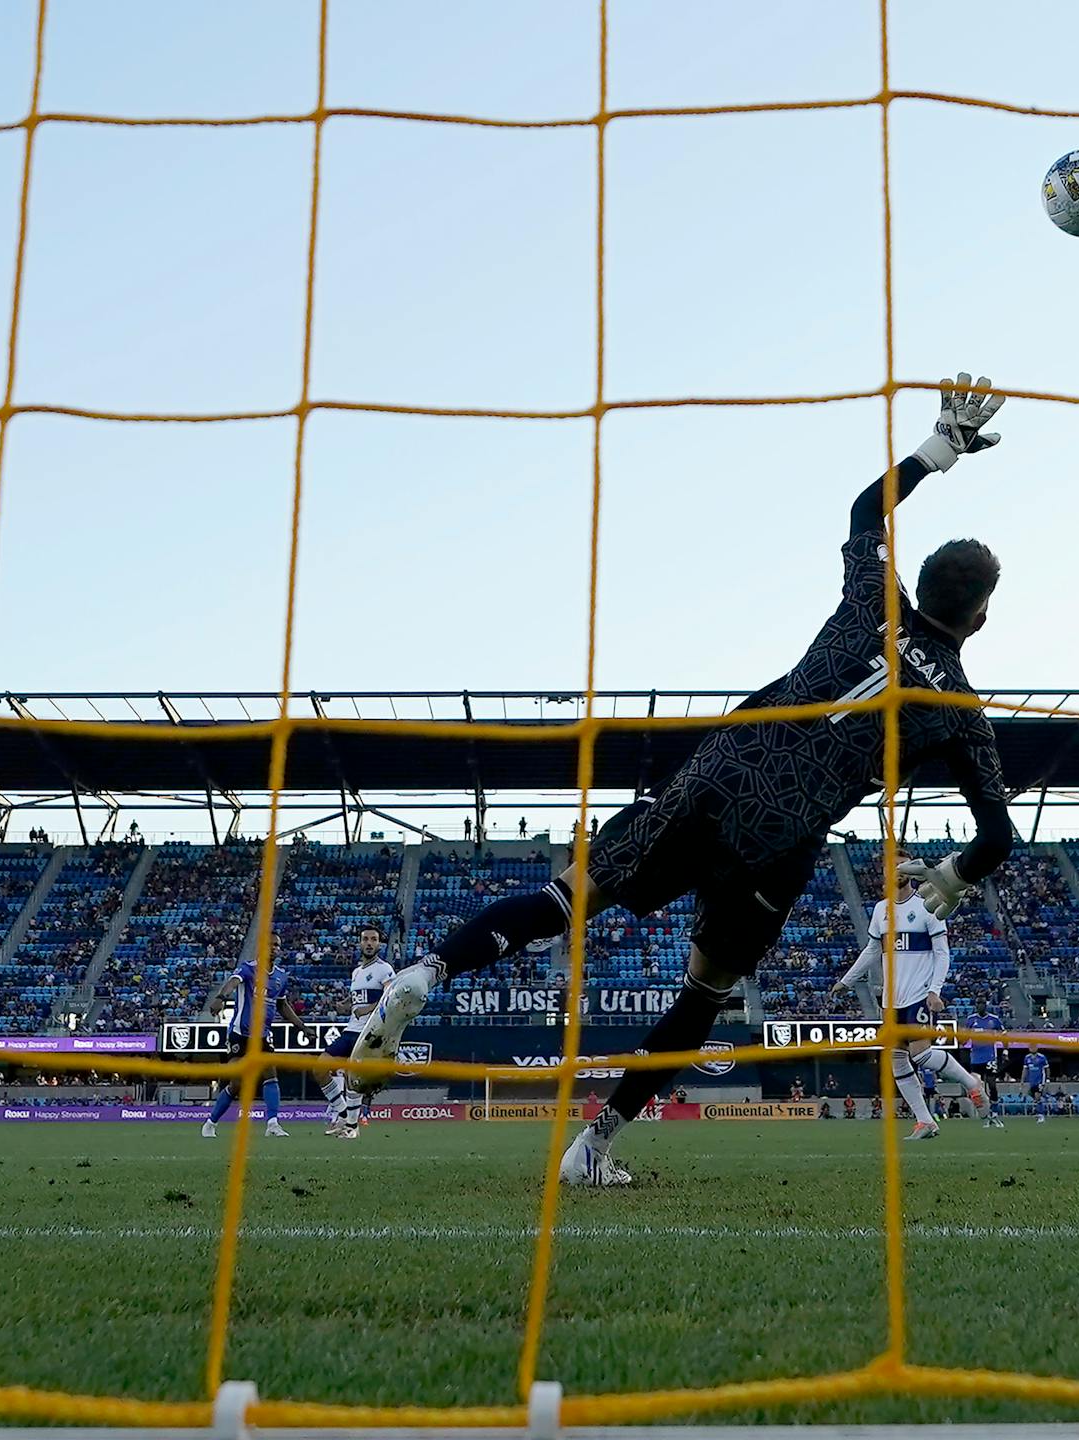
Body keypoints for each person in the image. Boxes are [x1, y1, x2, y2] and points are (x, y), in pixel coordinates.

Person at [343, 378, 1018, 1186]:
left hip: (720, 773)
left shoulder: (870, 600)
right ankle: (592, 1149)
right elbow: (998, 836)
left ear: (924, 584)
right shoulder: (961, 710)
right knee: (704, 992)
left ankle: (428, 974)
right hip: (781, 837)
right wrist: (952, 875)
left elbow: (863, 513)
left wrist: (938, 450)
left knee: (567, 900)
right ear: (978, 619)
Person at [832, 865, 987, 1140]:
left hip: (919, 994)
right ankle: (925, 1121)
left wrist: (935, 990)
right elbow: (872, 949)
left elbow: (942, 953)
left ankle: (970, 1081)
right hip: (891, 1001)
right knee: (897, 1060)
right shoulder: (881, 910)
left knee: (921, 1055)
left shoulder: (928, 905)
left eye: (902, 864)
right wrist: (847, 981)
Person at [199, 954, 302, 1139]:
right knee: (237, 1082)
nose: (274, 948)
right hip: (241, 1033)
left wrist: (303, 1027)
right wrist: (221, 997)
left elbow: (283, 1005)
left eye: (277, 945)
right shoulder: (248, 968)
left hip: (262, 1034)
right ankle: (210, 1123)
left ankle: (272, 1124)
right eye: (271, 945)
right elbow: (232, 982)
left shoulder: (280, 976)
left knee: (270, 1073)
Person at [324, 924, 396, 1139]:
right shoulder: (357, 971)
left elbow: (390, 998)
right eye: (365, 939)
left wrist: (367, 1008)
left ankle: (351, 1127)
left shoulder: (384, 969)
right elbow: (358, 999)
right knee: (319, 1069)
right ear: (360, 942)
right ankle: (344, 1115)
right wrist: (345, 1004)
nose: (369, 943)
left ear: (379, 944)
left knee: (352, 1078)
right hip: (350, 1029)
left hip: (367, 1032)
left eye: (373, 939)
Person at [969, 995, 1007, 1127]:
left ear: (986, 1005)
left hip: (990, 1057)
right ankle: (985, 1115)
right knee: (977, 1088)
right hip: (975, 1058)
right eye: (978, 1003)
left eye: (982, 1003)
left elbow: (1004, 1035)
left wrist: (1005, 1051)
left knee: (992, 1085)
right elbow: (963, 1037)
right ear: (975, 1005)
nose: (980, 1005)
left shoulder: (994, 1020)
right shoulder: (971, 1020)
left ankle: (995, 1114)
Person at [1022, 1046, 1048, 1122]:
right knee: (1034, 1097)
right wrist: (1022, 1080)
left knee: (1037, 1097)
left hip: (1040, 1080)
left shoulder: (1042, 1057)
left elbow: (1047, 1068)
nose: (1032, 1048)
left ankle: (1041, 1115)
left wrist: (1047, 1079)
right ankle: (1039, 1112)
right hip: (1032, 1081)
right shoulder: (1027, 1058)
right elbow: (1025, 1069)